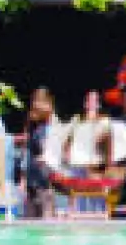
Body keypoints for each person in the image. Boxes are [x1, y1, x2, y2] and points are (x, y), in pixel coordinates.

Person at [21, 87, 59, 219]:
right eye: (35, 101)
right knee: (28, 220)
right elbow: (27, 151)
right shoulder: (33, 124)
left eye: (41, 101)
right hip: (32, 179)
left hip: (46, 180)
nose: (37, 104)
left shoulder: (53, 123)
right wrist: (23, 178)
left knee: (46, 219)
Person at [62, 89, 112, 175]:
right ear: (85, 103)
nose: (92, 103)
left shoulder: (104, 121)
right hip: (75, 165)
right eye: (90, 100)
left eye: (95, 100)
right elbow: (67, 140)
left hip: (93, 167)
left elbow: (107, 143)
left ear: (99, 104)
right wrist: (65, 154)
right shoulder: (76, 120)